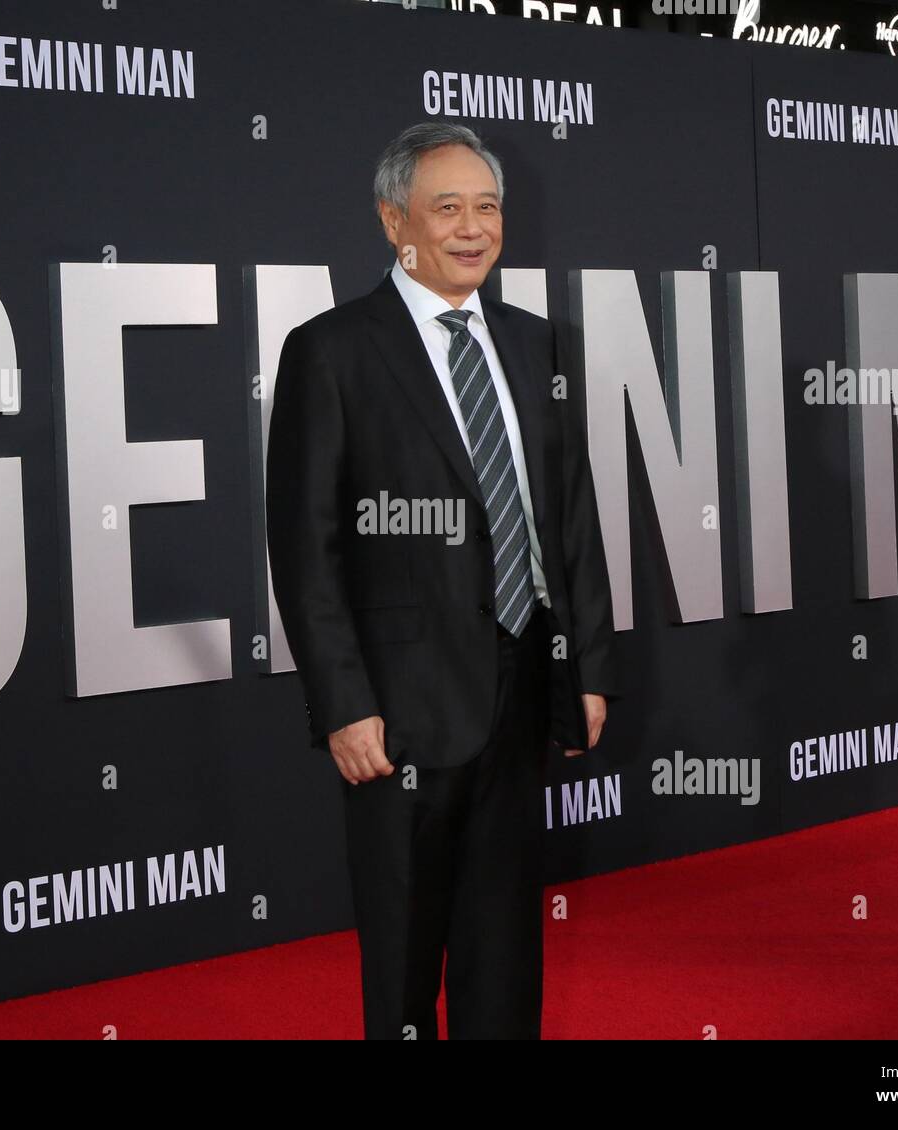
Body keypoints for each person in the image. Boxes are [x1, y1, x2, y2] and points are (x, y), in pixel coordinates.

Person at [265, 121, 621, 1039]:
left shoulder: (537, 344)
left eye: (489, 206)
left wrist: (585, 666)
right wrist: (342, 704)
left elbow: (567, 516)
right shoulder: (333, 350)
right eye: (447, 208)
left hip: (520, 685)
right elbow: (306, 546)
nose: (473, 228)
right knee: (404, 953)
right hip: (399, 709)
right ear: (395, 223)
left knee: (505, 945)